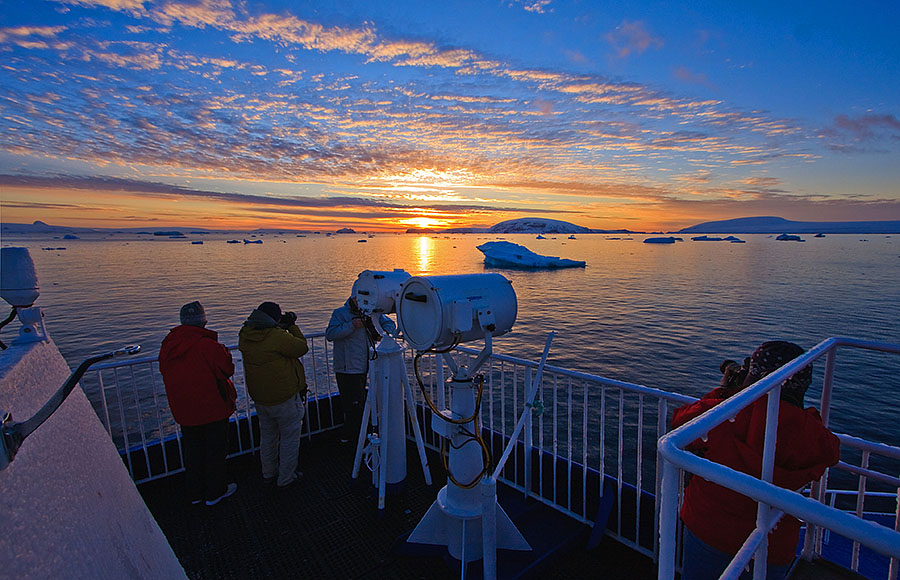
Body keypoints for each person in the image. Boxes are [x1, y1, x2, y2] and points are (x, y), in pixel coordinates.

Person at [672, 341, 841, 580]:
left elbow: (681, 425)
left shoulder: (727, 414)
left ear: (755, 376)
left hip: (708, 529)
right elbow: (832, 452)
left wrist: (727, 392)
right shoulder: (811, 435)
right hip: (773, 542)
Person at [158, 301, 238, 506]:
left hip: (185, 409)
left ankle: (195, 494)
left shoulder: (169, 345)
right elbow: (226, 369)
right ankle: (215, 492)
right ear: (203, 321)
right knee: (215, 451)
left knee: (192, 452)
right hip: (212, 408)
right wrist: (224, 352)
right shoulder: (207, 346)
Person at [238, 301, 308, 489]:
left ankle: (269, 473)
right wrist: (291, 326)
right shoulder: (276, 336)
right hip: (284, 397)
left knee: (268, 437)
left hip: (261, 398)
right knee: (289, 438)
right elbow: (301, 347)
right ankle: (286, 478)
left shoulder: (245, 334)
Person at [325, 296, 397, 444]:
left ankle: (359, 434)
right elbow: (330, 334)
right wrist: (351, 325)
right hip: (347, 367)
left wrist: (383, 335)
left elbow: (389, 324)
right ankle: (352, 436)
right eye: (357, 298)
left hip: (365, 365)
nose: (360, 300)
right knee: (351, 403)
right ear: (352, 298)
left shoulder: (372, 312)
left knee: (361, 400)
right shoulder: (340, 313)